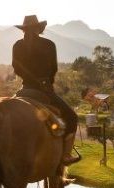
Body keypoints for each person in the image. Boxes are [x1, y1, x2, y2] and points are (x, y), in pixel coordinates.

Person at [12, 14, 81, 166]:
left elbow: (17, 68)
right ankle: (66, 155)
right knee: (72, 117)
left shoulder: (17, 45)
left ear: (23, 29)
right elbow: (53, 69)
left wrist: (29, 79)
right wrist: (44, 82)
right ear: (39, 28)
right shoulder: (49, 45)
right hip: (44, 91)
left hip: (25, 89)